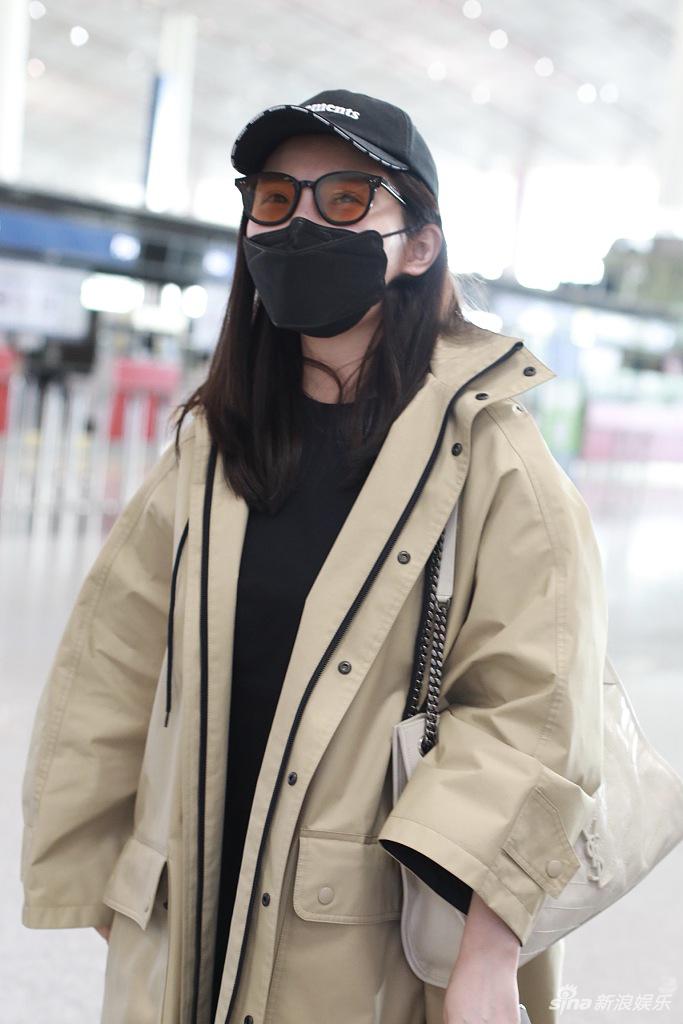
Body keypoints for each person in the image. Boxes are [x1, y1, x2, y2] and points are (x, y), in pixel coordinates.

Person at [20, 89, 607, 1024]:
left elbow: (530, 717)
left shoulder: (492, 459)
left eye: (343, 200)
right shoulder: (211, 446)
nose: (298, 224)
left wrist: (485, 958)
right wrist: (106, 878)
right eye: (273, 199)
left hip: (357, 954)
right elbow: (114, 666)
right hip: (185, 929)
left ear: (418, 246)